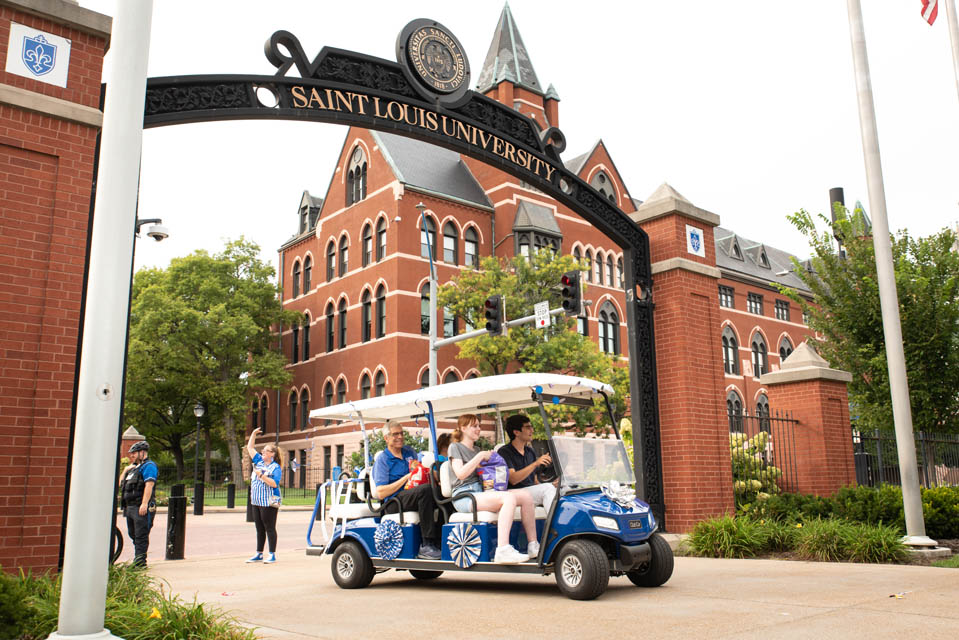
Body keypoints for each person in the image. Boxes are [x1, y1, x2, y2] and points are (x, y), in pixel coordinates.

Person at [448, 414, 538, 564]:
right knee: (508, 498)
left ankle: (533, 545)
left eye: (479, 426)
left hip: (481, 492)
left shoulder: (477, 449)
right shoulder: (455, 447)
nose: (478, 429)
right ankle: (503, 549)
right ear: (463, 428)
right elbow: (461, 474)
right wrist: (481, 456)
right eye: (474, 426)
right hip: (464, 496)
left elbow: (485, 474)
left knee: (525, 496)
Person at [372, 423, 442, 559]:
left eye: (401, 433)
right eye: (395, 434)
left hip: (413, 493)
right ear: (386, 438)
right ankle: (426, 544)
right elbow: (380, 492)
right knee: (426, 490)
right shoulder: (383, 460)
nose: (400, 437)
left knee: (440, 492)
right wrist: (406, 478)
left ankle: (440, 539)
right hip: (393, 501)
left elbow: (418, 471)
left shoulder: (409, 452)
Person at [500, 414, 557, 514]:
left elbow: (534, 481)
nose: (532, 430)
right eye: (528, 427)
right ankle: (557, 526)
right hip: (513, 493)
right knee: (547, 489)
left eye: (531, 427)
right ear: (516, 432)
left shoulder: (530, 451)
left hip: (529, 491)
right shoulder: (504, 452)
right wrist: (535, 463)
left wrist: (552, 484)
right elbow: (513, 479)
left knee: (565, 488)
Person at [118, 440, 158, 568]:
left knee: (141, 534)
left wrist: (144, 504)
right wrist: (124, 471)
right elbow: (119, 485)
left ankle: (140, 562)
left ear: (143, 452)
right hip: (130, 507)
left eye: (134, 453)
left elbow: (149, 485)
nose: (132, 456)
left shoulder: (149, 466)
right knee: (133, 534)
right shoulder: (133, 469)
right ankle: (138, 558)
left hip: (140, 506)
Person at [246, 427, 282, 564]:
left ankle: (272, 554)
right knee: (259, 528)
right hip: (256, 501)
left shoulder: (275, 467)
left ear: (272, 454)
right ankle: (259, 553)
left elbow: (274, 483)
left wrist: (261, 475)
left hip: (268, 501)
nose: (263, 452)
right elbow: (250, 448)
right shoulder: (258, 461)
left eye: (266, 450)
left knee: (269, 527)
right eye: (263, 450)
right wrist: (253, 434)